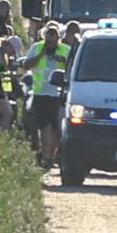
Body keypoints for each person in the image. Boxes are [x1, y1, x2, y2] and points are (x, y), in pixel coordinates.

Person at [22, 23, 70, 170]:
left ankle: (52, 155)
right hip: (41, 93)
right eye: (48, 41)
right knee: (44, 127)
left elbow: (73, 68)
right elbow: (26, 65)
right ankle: (46, 157)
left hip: (58, 95)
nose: (51, 44)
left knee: (56, 129)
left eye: (53, 41)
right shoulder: (37, 48)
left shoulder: (65, 50)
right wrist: (40, 55)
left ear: (58, 38)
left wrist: (63, 60)